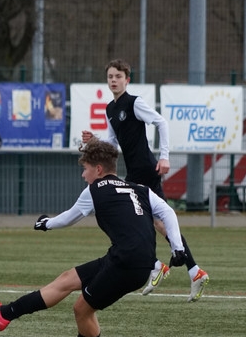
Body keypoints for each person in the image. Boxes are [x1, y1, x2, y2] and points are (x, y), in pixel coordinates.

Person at [0, 140, 187, 337]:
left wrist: (45, 223)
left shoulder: (95, 189)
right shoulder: (138, 189)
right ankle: (4, 314)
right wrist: (177, 248)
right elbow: (168, 212)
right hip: (129, 259)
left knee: (82, 309)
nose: (83, 175)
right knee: (67, 279)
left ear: (98, 169)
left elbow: (68, 218)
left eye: (85, 169)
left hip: (126, 264)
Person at [81, 59, 210, 302]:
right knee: (155, 222)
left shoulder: (134, 103)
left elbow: (162, 122)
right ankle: (191, 271)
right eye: (110, 76)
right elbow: (113, 142)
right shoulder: (110, 109)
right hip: (135, 172)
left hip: (145, 170)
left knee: (137, 219)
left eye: (118, 76)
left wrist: (164, 156)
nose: (113, 80)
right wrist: (94, 140)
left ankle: (161, 266)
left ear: (127, 80)